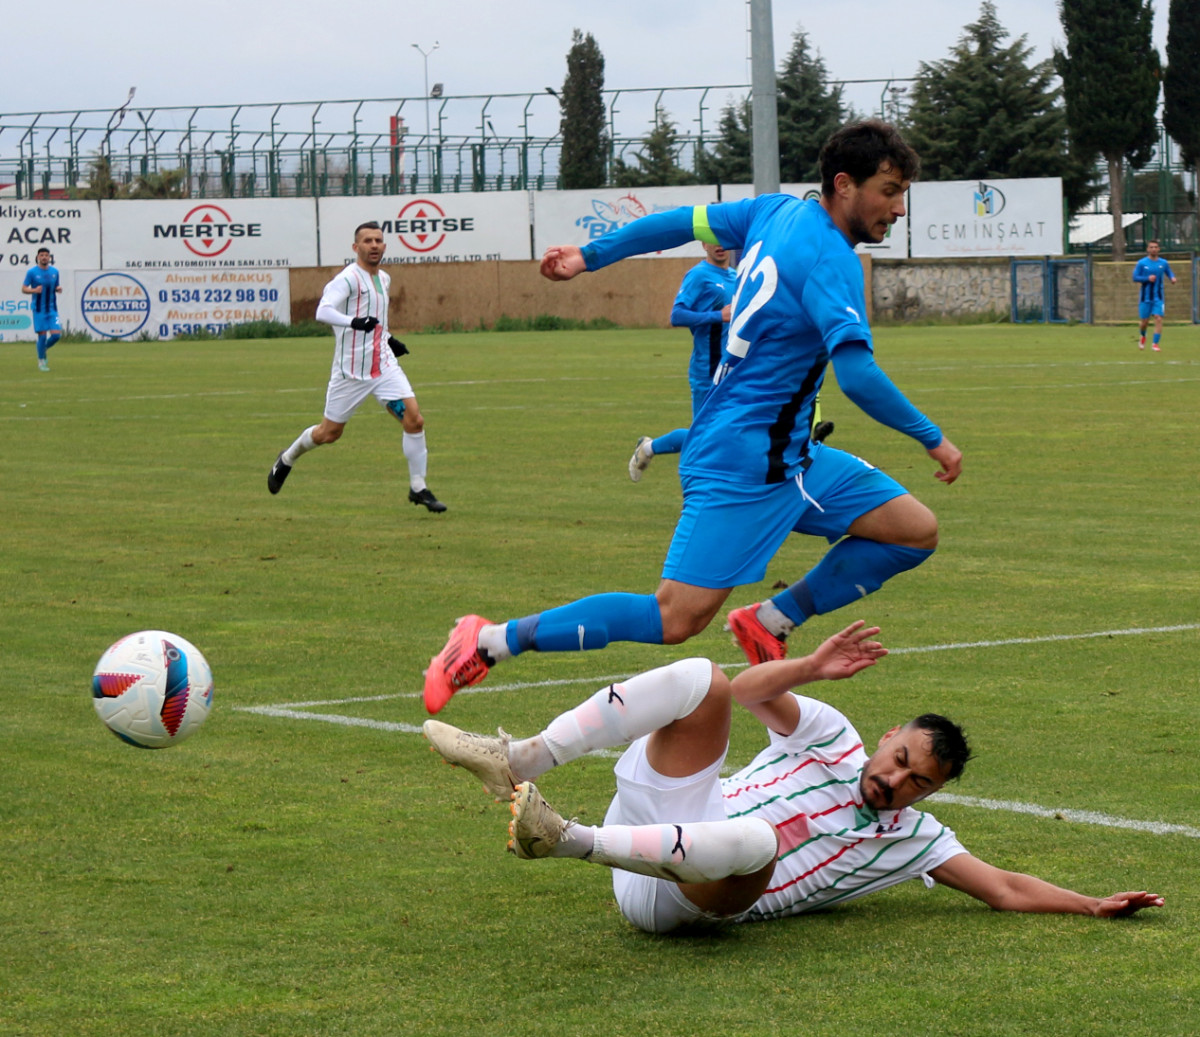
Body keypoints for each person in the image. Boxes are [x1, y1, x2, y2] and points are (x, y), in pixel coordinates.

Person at [424, 119, 961, 713]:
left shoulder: (775, 212)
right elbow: (858, 377)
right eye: (889, 191)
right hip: (743, 463)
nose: (899, 208)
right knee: (675, 617)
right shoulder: (831, 260)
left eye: (903, 192)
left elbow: (678, 223)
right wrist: (931, 438)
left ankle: (770, 620)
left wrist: (591, 255)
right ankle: (490, 641)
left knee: (913, 531)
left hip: (793, 457)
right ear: (844, 184)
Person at [424, 621, 1163, 934]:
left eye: (918, 784)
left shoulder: (913, 839)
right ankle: (518, 761)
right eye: (901, 760)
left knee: (755, 837)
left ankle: (562, 837)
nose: (899, 784)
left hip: (690, 900)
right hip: (663, 813)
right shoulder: (832, 735)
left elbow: (1002, 886)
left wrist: (1091, 904)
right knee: (700, 676)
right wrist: (809, 667)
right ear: (887, 738)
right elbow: (745, 691)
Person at [267, 221, 446, 512]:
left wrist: (389, 340)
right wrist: (353, 322)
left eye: (378, 240)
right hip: (351, 372)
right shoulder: (348, 278)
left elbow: (375, 320)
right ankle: (287, 458)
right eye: (367, 241)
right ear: (356, 247)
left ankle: (418, 487)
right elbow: (322, 311)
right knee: (329, 433)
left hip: (384, 368)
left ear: (384, 246)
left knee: (414, 420)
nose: (374, 245)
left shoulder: (384, 279)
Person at [627, 241, 737, 483]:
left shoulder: (737, 277)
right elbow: (677, 315)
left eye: (724, 238)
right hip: (707, 370)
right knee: (705, 439)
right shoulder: (699, 275)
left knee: (732, 435)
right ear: (703, 244)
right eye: (713, 239)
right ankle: (648, 449)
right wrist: (718, 316)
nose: (719, 244)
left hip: (734, 371)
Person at [22, 247, 62, 372]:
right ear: (38, 257)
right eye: (42, 255)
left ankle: (42, 349)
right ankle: (41, 362)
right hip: (39, 309)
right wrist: (34, 290)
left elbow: (55, 286)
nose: (44, 257)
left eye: (46, 255)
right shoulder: (32, 272)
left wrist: (58, 289)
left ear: (49, 257)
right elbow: (24, 288)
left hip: (52, 309)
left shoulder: (55, 271)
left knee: (56, 336)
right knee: (43, 336)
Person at [1132, 240, 1177, 352]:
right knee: (1144, 322)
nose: (1153, 249)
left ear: (1159, 249)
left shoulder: (1163, 263)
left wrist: (1172, 278)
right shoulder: (1142, 263)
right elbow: (1135, 277)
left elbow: (1169, 272)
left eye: (1155, 247)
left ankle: (1155, 344)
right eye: (1151, 247)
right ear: (1148, 249)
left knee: (1158, 318)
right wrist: (1147, 279)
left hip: (1158, 297)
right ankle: (1143, 336)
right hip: (1145, 298)